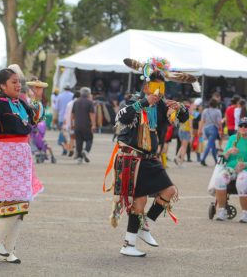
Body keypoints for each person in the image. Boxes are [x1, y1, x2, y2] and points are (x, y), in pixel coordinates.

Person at [104, 57, 199, 257]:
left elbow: (181, 119)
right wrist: (144, 102)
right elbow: (122, 117)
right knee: (138, 203)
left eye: (162, 86)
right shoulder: (133, 100)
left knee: (169, 191)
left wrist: (180, 108)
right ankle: (129, 244)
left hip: (149, 159)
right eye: (156, 86)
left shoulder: (161, 104)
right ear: (147, 85)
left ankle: (144, 227)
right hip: (132, 158)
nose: (160, 91)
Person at [0, 68, 45, 264]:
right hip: (3, 155)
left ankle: (10, 247)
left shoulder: (21, 102)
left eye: (19, 81)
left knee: (22, 203)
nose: (18, 85)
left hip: (22, 154)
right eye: (13, 82)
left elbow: (35, 119)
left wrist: (37, 98)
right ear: (3, 85)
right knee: (11, 200)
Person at [212, 117, 247, 223]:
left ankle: (245, 213)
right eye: (241, 126)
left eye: (246, 126)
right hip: (231, 168)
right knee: (219, 179)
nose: (243, 128)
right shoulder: (233, 138)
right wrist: (228, 152)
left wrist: (245, 164)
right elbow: (223, 158)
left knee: (242, 181)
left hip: (245, 169)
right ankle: (222, 210)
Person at [71, 87, 96, 164]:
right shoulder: (90, 102)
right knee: (89, 139)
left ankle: (79, 158)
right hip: (87, 125)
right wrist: (93, 125)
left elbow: (72, 114)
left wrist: (72, 124)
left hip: (77, 125)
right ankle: (85, 151)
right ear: (89, 94)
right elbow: (91, 114)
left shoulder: (76, 102)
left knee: (79, 141)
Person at [199, 99, 222, 166]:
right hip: (213, 129)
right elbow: (219, 122)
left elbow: (202, 121)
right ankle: (203, 159)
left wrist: (200, 130)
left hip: (206, 129)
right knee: (209, 145)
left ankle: (216, 161)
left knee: (213, 146)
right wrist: (220, 129)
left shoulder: (205, 111)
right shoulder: (218, 111)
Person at [55, 85, 74, 155]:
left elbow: (56, 108)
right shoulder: (72, 96)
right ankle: (69, 147)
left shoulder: (59, 96)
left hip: (61, 117)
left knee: (63, 133)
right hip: (70, 118)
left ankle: (64, 149)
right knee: (69, 134)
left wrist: (55, 118)